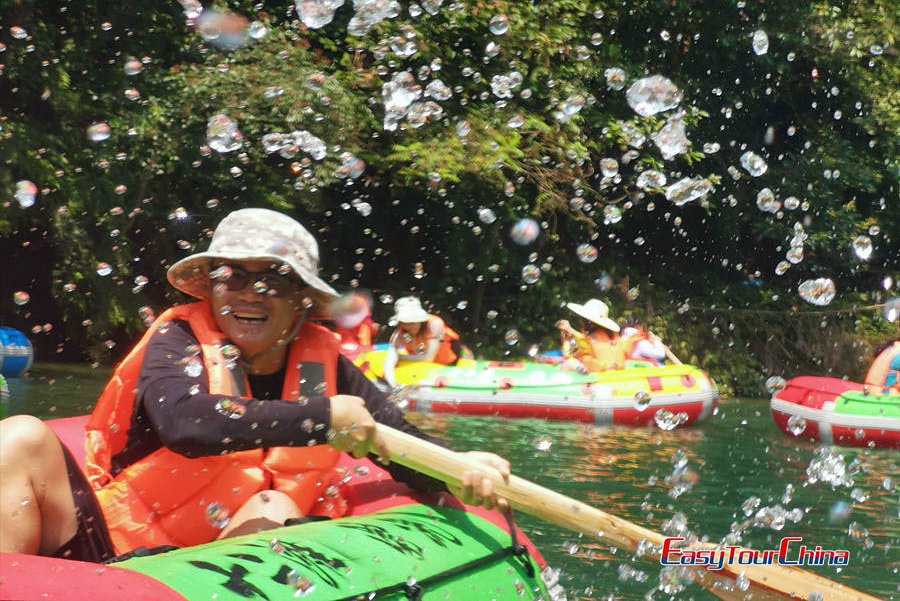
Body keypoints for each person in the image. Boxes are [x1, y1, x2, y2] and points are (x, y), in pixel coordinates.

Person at [0, 209, 509, 561]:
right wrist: (323, 418)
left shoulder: (328, 361)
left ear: (302, 299)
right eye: (232, 276)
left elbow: (395, 437)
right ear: (213, 286)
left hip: (207, 574)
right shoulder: (178, 337)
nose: (250, 294)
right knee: (18, 435)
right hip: (108, 550)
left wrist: (458, 467)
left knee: (274, 505)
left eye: (275, 280)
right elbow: (184, 423)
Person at [382, 296, 461, 389]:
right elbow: (389, 359)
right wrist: (392, 382)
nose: (409, 327)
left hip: (448, 357)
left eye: (412, 322)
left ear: (420, 320)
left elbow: (428, 358)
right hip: (421, 360)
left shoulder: (434, 324)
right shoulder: (400, 332)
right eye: (405, 322)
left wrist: (400, 357)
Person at [555, 298, 626, 373]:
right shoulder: (615, 336)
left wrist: (566, 341)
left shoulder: (589, 339)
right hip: (619, 372)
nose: (580, 322)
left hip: (600, 375)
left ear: (588, 322)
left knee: (570, 362)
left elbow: (568, 355)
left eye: (582, 319)